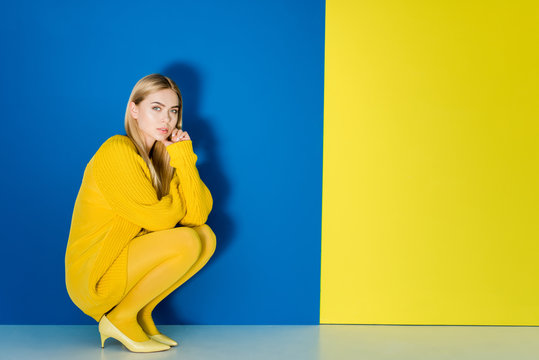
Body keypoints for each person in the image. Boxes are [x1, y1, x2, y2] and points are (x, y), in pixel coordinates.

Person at [64, 73, 216, 353]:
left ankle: (138, 313)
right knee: (186, 241)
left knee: (204, 236)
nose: (166, 120)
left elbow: (197, 217)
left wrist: (183, 158)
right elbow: (162, 221)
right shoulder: (116, 150)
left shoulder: (163, 160)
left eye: (173, 111)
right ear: (134, 110)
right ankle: (120, 318)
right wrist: (174, 202)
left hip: (124, 263)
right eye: (156, 108)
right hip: (95, 275)